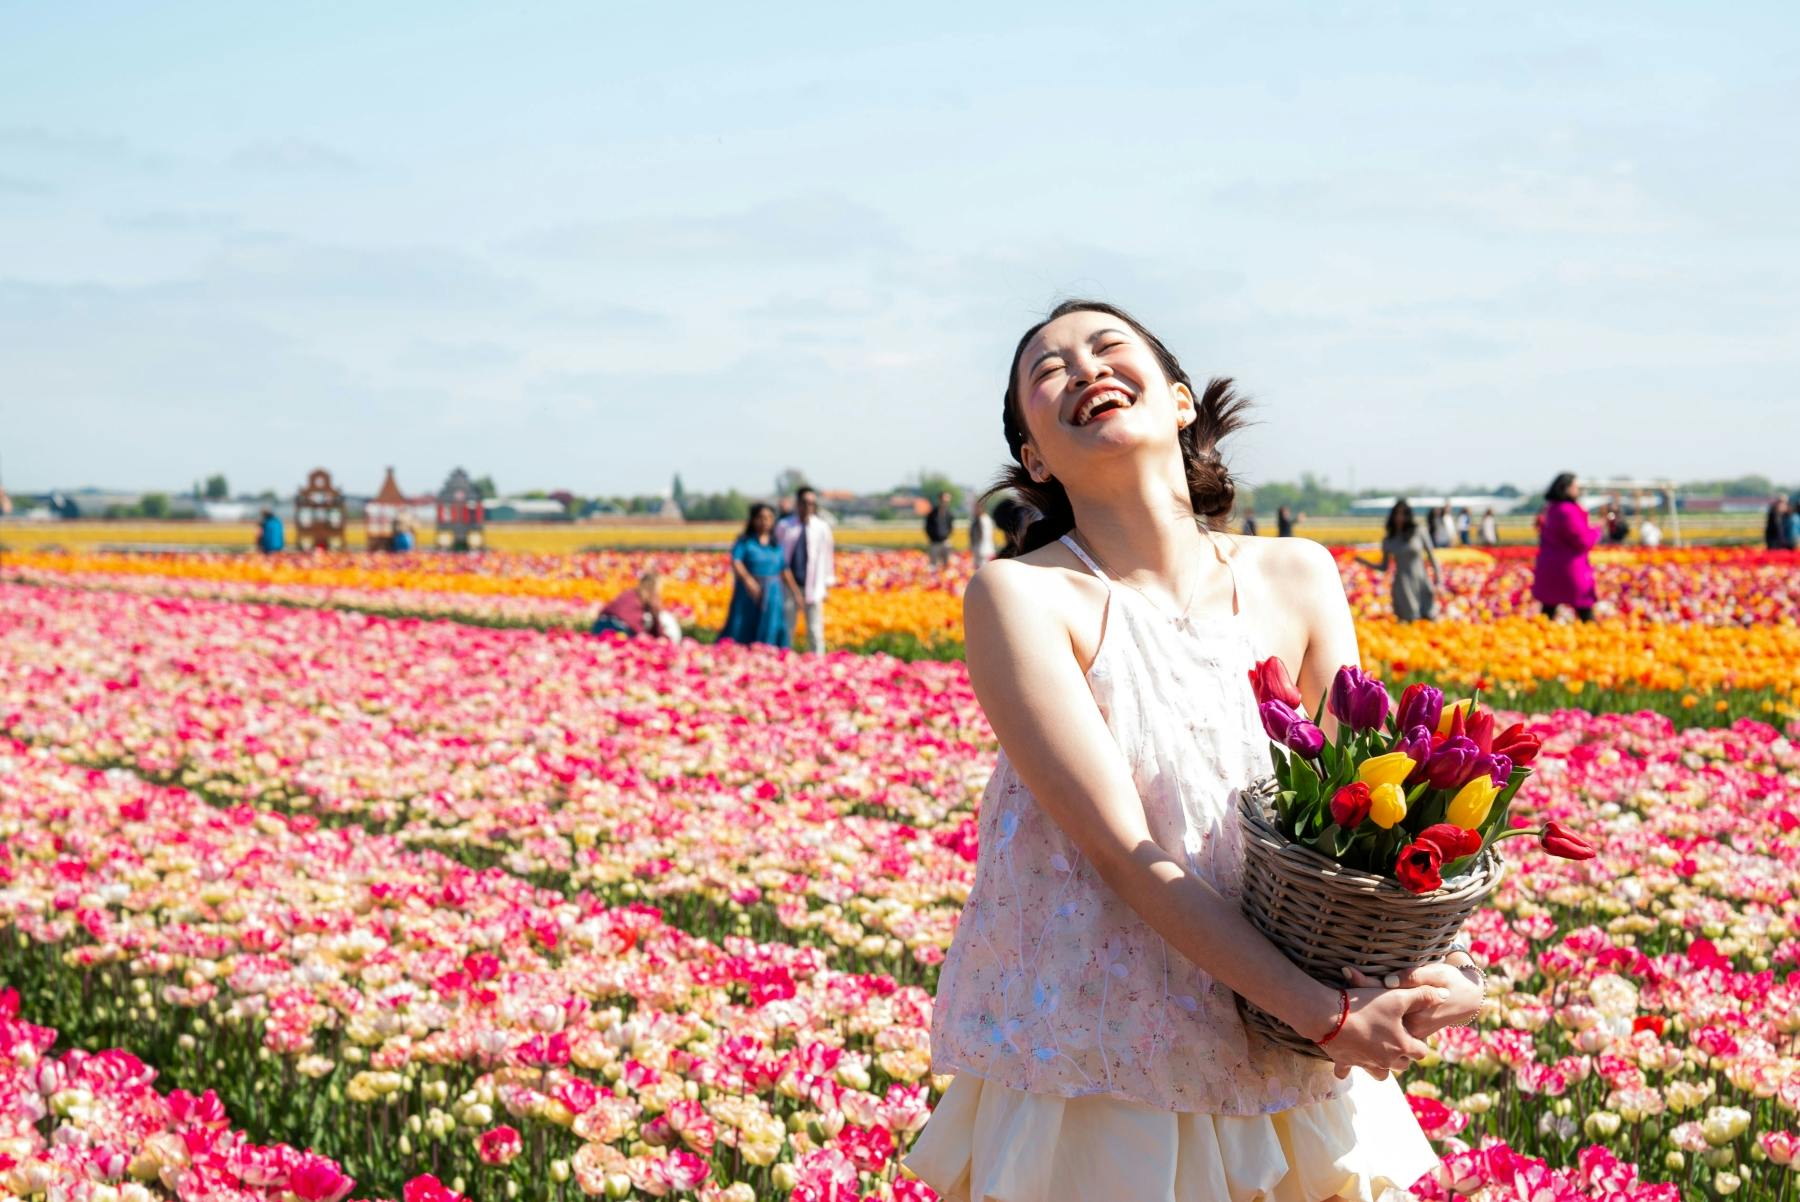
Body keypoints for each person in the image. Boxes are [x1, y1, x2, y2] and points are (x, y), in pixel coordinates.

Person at [903, 300, 1466, 1202]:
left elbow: (1367, 826)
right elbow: (1125, 854)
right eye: (1047, 371)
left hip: (1283, 1055)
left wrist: (1436, 975)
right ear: (1036, 461)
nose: (1083, 368)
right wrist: (1326, 1016)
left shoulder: (1300, 576)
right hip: (1108, 1061)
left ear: (1177, 402)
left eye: (1106, 346)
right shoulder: (1022, 599)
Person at [1531, 473, 1601, 622]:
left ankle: (1542, 636)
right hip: (1569, 568)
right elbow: (1582, 540)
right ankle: (1593, 639)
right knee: (1584, 609)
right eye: (1576, 486)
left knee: (1548, 608)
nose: (1578, 490)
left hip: (1550, 566)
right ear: (1566, 488)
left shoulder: (1551, 509)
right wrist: (1597, 530)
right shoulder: (1567, 511)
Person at [720, 504, 791, 648]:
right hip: (749, 592)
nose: (765, 522)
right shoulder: (745, 542)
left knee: (771, 626)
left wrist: (795, 593)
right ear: (753, 520)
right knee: (743, 625)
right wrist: (748, 580)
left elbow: (784, 570)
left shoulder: (775, 545)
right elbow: (736, 562)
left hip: (773, 593)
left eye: (769, 518)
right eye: (761, 518)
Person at [1358, 500, 1441, 622]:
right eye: (1397, 513)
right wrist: (1364, 562)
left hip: (1421, 581)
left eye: (1403, 514)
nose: (1400, 517)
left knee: (1429, 616)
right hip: (1403, 585)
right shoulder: (1389, 539)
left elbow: (1431, 556)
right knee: (1409, 619)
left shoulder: (1419, 532)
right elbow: (1384, 567)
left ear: (1409, 515)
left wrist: (1438, 579)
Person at [777, 486, 834, 654]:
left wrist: (827, 584)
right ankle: (783, 659)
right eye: (804, 503)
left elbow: (827, 557)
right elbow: (779, 556)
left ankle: (817, 662)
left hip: (813, 584)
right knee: (787, 627)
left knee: (815, 629)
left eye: (811, 503)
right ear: (798, 504)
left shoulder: (822, 527)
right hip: (788, 584)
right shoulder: (785, 526)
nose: (808, 507)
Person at [592, 570, 667, 639]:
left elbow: (606, 609)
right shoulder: (649, 597)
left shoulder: (629, 593)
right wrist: (664, 639)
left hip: (600, 624)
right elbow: (656, 624)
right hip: (621, 629)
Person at [925, 489, 956, 570]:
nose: (945, 502)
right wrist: (932, 537)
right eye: (944, 500)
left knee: (947, 564)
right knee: (933, 564)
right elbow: (928, 527)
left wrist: (947, 535)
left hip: (945, 541)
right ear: (940, 500)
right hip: (934, 542)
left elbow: (951, 526)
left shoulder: (949, 513)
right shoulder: (932, 513)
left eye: (947, 500)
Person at [969, 496, 997, 569]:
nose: (974, 510)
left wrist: (977, 547)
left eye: (976, 508)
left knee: (981, 568)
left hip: (982, 549)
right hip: (984, 548)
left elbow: (982, 534)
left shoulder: (982, 519)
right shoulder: (985, 518)